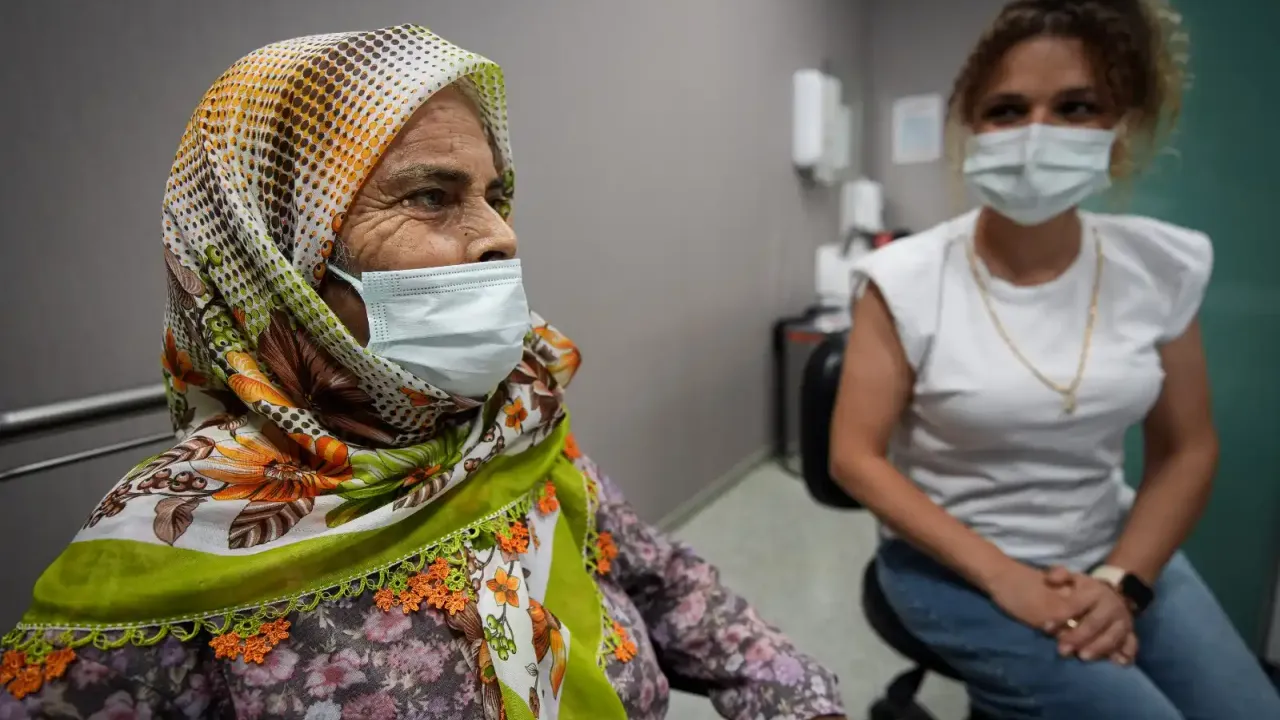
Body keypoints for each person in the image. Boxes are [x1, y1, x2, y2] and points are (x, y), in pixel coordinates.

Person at [0, 26, 847, 720]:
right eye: (430, 196)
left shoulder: (513, 416)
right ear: (278, 257)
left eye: (494, 195)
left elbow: (665, 581)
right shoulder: (157, 564)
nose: (502, 235)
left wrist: (801, 700)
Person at [829, 0, 1280, 718]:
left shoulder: (1160, 266)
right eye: (1007, 110)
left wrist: (1122, 582)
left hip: (1111, 544)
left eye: (1076, 107)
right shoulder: (905, 279)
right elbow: (855, 458)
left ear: (1119, 129)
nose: (1037, 134)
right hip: (949, 566)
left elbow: (1188, 450)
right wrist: (1005, 578)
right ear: (970, 130)